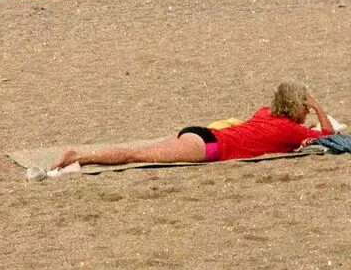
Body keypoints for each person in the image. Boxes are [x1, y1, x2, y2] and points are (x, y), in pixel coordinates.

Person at [56, 82, 335, 168]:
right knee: (137, 155)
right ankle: (79, 157)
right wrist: (318, 108)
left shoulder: (264, 113)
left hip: (203, 134)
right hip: (210, 146)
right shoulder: (292, 131)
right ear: (298, 108)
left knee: (141, 151)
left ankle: (81, 156)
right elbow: (327, 136)